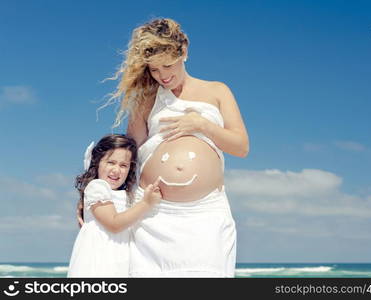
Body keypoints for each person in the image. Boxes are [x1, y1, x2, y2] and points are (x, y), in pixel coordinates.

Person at [104, 18, 249, 277]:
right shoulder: (146, 100)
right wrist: (97, 193)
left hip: (206, 213)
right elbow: (129, 155)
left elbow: (241, 147)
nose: (163, 75)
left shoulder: (217, 91)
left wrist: (202, 125)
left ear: (183, 52)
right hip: (153, 215)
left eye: (168, 65)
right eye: (154, 69)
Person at [68, 134, 162, 277]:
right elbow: (114, 224)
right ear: (97, 162)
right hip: (99, 260)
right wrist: (146, 203)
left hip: (120, 259)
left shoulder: (127, 194)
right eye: (111, 162)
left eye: (123, 165)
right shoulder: (97, 187)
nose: (116, 170)